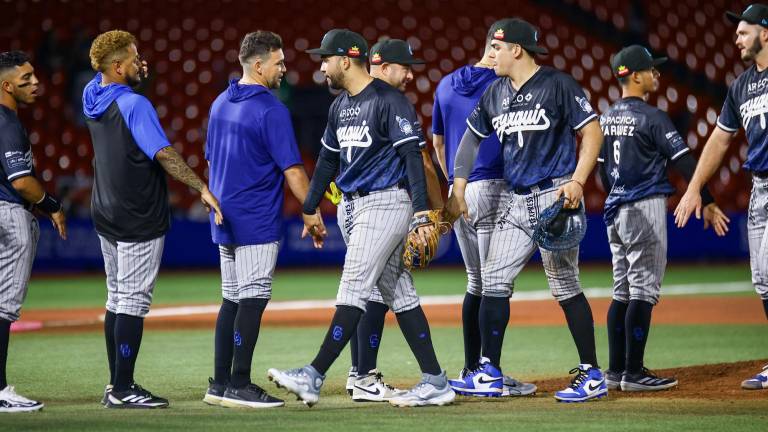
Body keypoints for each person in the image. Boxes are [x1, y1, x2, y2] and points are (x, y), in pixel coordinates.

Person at [267, 29, 455, 408]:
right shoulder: (340, 106)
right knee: (399, 292)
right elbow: (326, 164)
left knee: (353, 287)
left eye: (326, 59)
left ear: (346, 59)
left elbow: (412, 159)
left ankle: (314, 374)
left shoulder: (390, 100)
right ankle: (436, 380)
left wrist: (421, 212)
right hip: (353, 206)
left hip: (385, 203)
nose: (321, 66)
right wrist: (309, 206)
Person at [446, 18, 606, 402]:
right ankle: (489, 372)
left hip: (556, 196)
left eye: (497, 48)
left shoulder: (558, 84)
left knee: (565, 284)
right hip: (517, 200)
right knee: (492, 281)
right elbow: (469, 141)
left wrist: (578, 181)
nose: (491, 55)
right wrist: (460, 185)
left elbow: (593, 130)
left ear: (517, 49)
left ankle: (592, 373)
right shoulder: (495, 92)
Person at [83, 30, 223, 408]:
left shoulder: (92, 95)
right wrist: (201, 187)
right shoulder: (134, 103)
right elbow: (163, 153)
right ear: (117, 67)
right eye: (133, 58)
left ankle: (116, 385)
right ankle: (124, 388)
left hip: (105, 210)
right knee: (132, 301)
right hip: (136, 214)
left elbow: (100, 81)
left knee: (116, 298)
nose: (141, 63)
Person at [599, 45, 729, 392]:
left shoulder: (607, 117)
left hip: (615, 210)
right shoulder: (653, 117)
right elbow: (685, 162)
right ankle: (635, 372)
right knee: (643, 289)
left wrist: (617, 196)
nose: (657, 75)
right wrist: (709, 200)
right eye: (651, 70)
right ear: (636, 76)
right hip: (644, 206)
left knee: (622, 289)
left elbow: (602, 175)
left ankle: (615, 371)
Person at [202, 30, 312, 409]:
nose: (284, 68)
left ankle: (219, 384)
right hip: (256, 219)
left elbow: (212, 160)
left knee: (231, 300)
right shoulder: (271, 108)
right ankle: (239, 384)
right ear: (259, 64)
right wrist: (311, 211)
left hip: (224, 218)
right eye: (279, 62)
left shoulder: (219, 103)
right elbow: (293, 171)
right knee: (252, 300)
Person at [432, 29, 536, 398]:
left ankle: (472, 367)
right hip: (496, 186)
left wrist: (455, 187)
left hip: (461, 191)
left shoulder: (445, 84)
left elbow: (439, 143)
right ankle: (489, 370)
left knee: (476, 282)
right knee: (494, 285)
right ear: (498, 51)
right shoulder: (503, 84)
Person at [344, 38, 444, 402]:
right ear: (383, 67)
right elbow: (423, 162)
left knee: (370, 288)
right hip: (383, 204)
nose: (409, 75)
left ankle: (359, 375)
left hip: (350, 204)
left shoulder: (348, 102)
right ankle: (365, 374)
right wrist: (437, 213)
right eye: (405, 67)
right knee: (384, 289)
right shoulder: (392, 103)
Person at [675, 3, 768, 390]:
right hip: (760, 188)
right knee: (763, 281)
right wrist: (695, 187)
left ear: (765, 33)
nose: (736, 37)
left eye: (743, 31)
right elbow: (720, 138)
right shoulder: (742, 85)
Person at [0, 50, 67, 413]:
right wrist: (53, 206)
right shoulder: (7, 122)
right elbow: (22, 182)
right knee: (3, 306)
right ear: (7, 85)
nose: (36, 83)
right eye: (26, 79)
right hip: (8, 213)